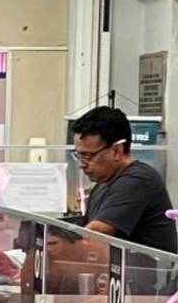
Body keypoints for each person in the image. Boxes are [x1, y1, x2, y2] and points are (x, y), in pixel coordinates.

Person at [72, 106, 176, 252]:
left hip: (146, 267)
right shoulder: (103, 183)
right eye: (78, 155)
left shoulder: (139, 181)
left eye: (87, 156)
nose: (81, 164)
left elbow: (94, 234)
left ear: (117, 150)